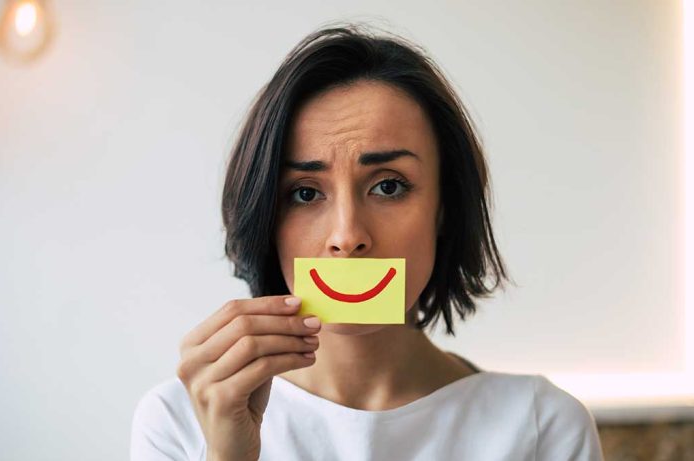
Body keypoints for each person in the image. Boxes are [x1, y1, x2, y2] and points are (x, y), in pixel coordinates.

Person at [130, 23, 604, 461]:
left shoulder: (543, 427)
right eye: (305, 193)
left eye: (389, 185)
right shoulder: (179, 422)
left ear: (444, 207)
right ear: (267, 218)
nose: (348, 236)